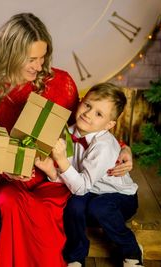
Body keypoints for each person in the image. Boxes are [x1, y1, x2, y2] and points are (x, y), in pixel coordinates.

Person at [0, 13, 133, 267]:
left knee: (50, 212)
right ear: (10, 53)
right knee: (8, 203)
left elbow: (87, 125)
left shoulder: (61, 82)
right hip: (12, 177)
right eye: (31, 59)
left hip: (55, 176)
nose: (39, 65)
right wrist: (10, 170)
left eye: (43, 57)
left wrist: (123, 147)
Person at [35, 82, 143, 267]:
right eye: (87, 105)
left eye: (98, 114)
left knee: (99, 207)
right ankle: (76, 256)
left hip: (120, 198)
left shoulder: (104, 146)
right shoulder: (68, 133)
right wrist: (52, 171)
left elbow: (80, 185)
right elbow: (72, 181)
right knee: (73, 206)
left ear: (109, 125)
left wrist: (61, 161)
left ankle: (132, 250)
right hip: (88, 191)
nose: (88, 114)